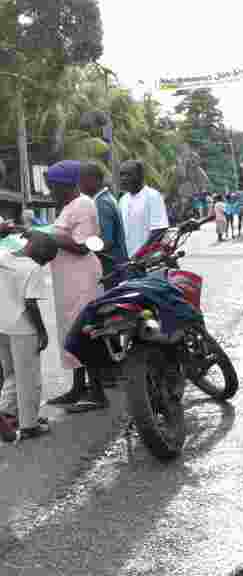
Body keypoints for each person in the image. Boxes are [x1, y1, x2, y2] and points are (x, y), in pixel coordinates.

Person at [38, 161, 106, 413]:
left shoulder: (84, 205)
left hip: (82, 278)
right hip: (68, 280)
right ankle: (78, 388)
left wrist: (46, 236)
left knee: (86, 332)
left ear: (65, 185)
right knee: (70, 332)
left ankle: (97, 393)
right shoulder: (69, 206)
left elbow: (82, 246)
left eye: (52, 187)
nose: (50, 192)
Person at [0, 230, 57, 441]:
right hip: (23, 328)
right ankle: (29, 425)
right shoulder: (33, 269)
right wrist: (42, 332)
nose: (45, 263)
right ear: (39, 251)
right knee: (29, 378)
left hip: (2, 325)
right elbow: (31, 303)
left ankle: (7, 413)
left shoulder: (4, 256)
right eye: (46, 258)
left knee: (11, 374)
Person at [80, 162, 127, 290]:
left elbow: (105, 242)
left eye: (81, 180)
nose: (79, 185)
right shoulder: (106, 199)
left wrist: (79, 247)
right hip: (115, 269)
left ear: (93, 180)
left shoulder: (101, 204)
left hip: (110, 270)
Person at [118, 160, 170, 258]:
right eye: (121, 175)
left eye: (128, 175)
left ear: (140, 176)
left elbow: (159, 230)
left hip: (148, 260)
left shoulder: (153, 196)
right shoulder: (123, 200)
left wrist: (139, 255)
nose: (123, 179)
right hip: (128, 261)